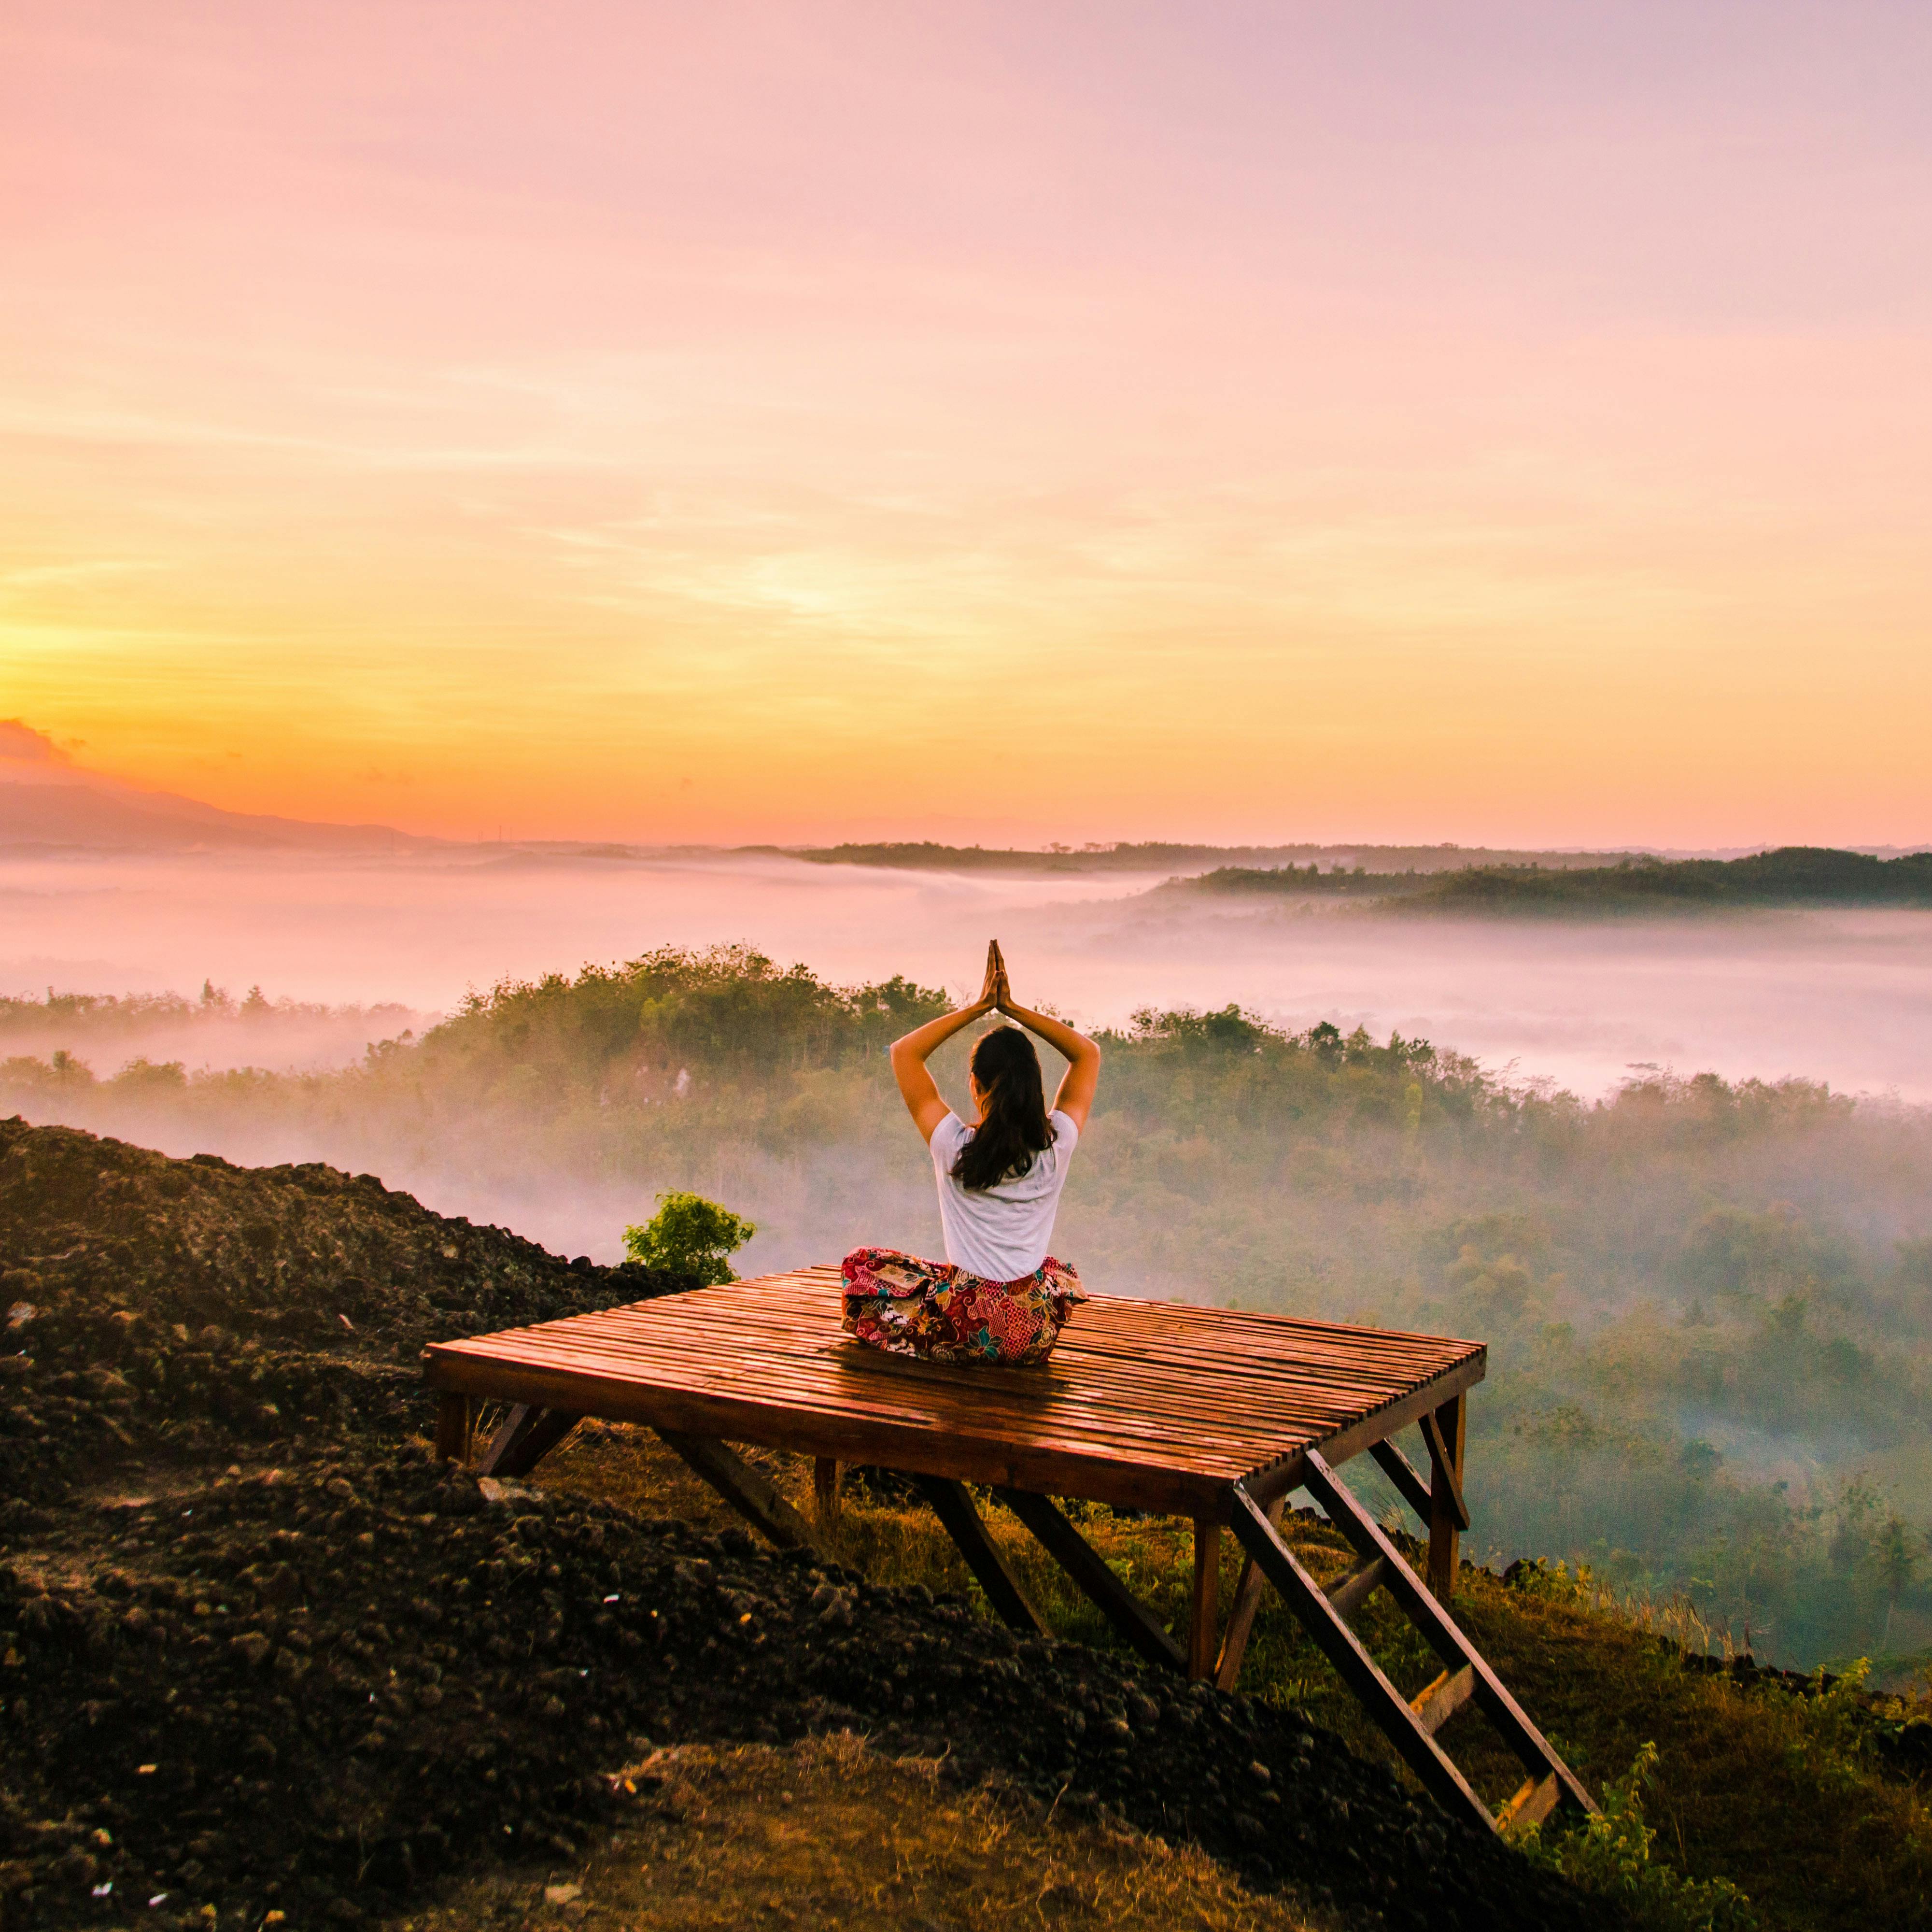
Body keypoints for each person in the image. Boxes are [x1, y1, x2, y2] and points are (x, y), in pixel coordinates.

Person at [841, 941, 1101, 1365]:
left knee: (861, 1265)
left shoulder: (952, 1145)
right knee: (1051, 1271)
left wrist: (981, 1007)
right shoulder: (1058, 1145)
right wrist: (1012, 1009)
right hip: (1030, 1336)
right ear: (1034, 1088)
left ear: (976, 1086)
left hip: (961, 1328)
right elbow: (1086, 1054)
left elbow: (904, 1052)